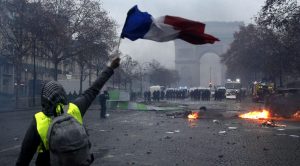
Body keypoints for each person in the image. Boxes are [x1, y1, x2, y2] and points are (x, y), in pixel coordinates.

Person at [16, 57, 120, 166]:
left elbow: (24, 157)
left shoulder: (39, 120)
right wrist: (111, 67)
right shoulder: (74, 109)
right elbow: (94, 89)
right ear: (63, 94)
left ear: (44, 100)